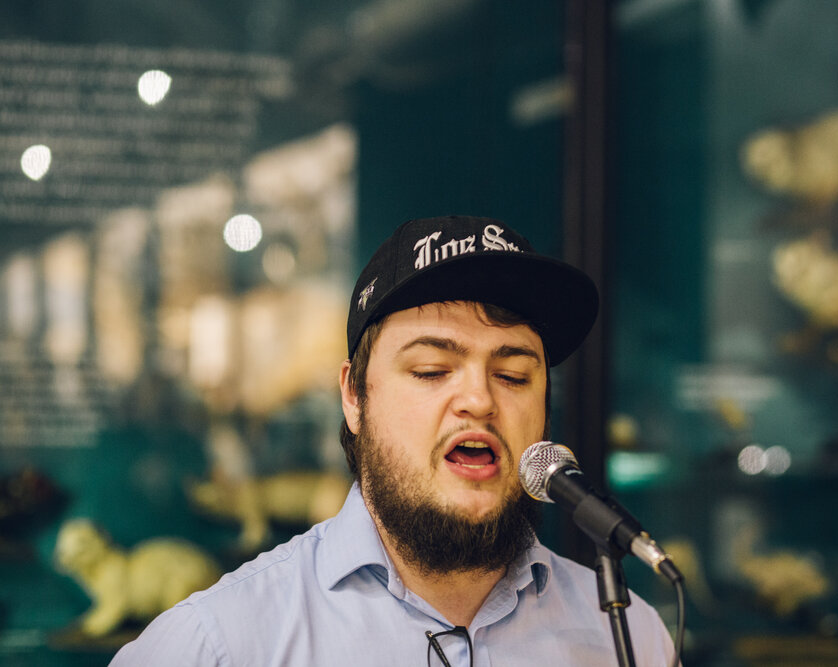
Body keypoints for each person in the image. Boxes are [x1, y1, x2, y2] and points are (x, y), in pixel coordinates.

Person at [110, 215, 677, 665]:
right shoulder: (223, 644)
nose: (479, 399)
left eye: (513, 376)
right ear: (355, 396)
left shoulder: (629, 638)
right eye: (432, 369)